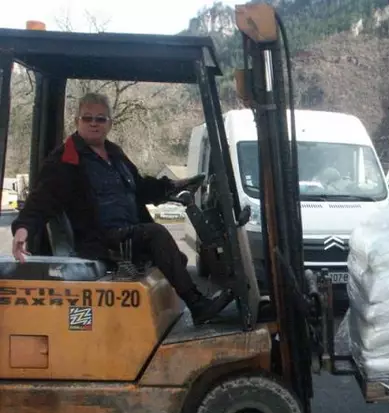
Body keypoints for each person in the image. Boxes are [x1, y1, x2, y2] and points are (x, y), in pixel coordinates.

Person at [10, 92, 233, 325]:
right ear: (77, 121)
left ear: (109, 123)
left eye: (100, 119)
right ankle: (197, 305)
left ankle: (198, 299)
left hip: (127, 233)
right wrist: (23, 229)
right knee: (156, 235)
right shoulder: (66, 160)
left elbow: (139, 186)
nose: (94, 123)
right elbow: (41, 198)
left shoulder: (114, 154)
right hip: (101, 240)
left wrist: (173, 185)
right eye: (87, 119)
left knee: (176, 257)